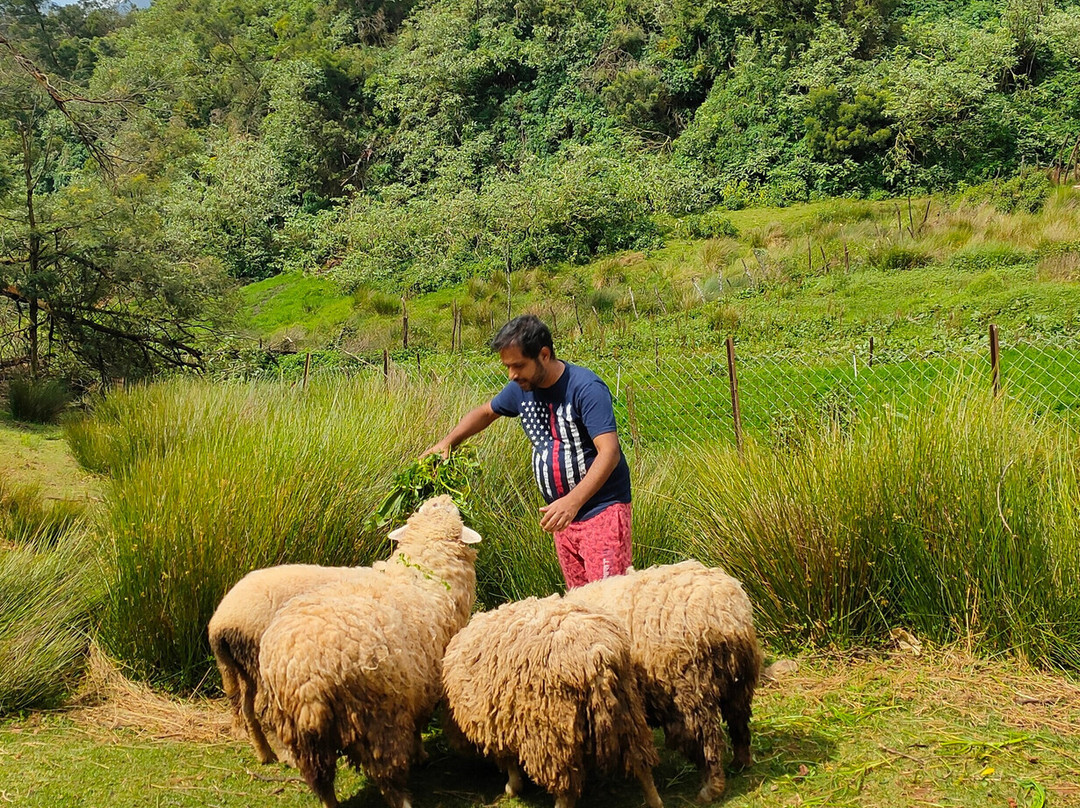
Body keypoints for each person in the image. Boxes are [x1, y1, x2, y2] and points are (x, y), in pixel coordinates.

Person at [423, 315, 632, 588]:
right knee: (581, 605)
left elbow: (609, 452)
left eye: (518, 365)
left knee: (609, 600)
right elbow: (486, 412)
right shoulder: (521, 390)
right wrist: (447, 443)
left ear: (544, 355)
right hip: (563, 518)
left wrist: (573, 501)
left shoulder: (585, 388)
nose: (512, 374)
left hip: (600, 512)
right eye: (507, 367)